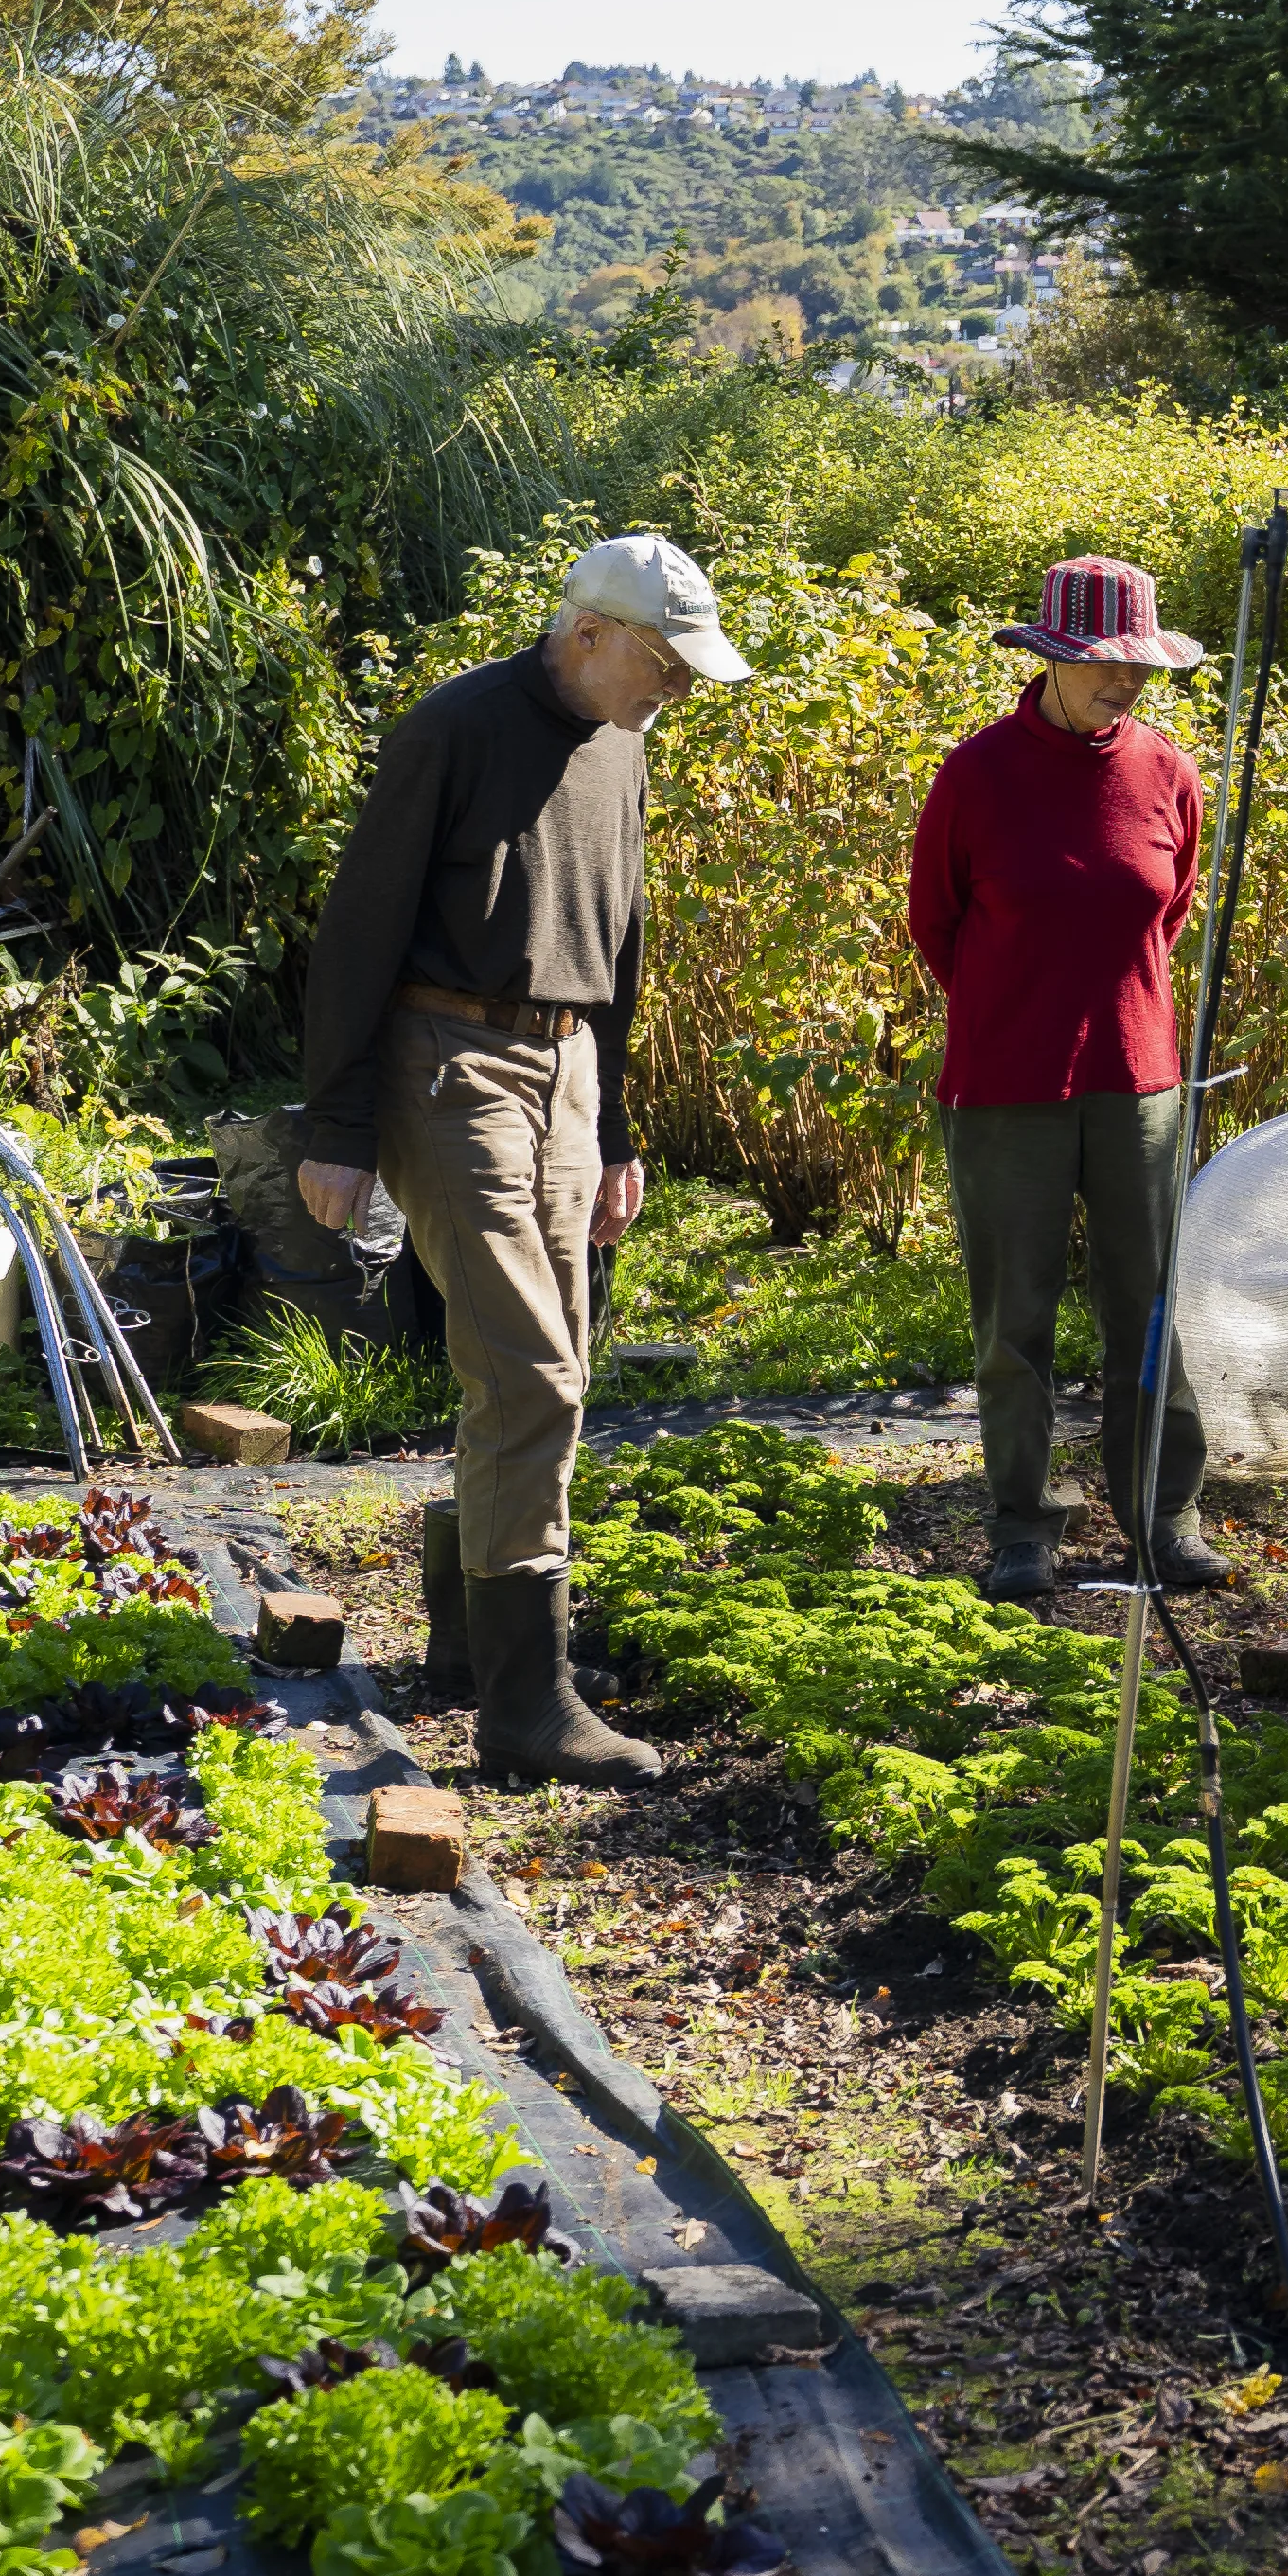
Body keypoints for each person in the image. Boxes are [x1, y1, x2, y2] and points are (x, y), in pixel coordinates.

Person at [292, 530, 748, 1787]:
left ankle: (466, 1643)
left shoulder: (627, 743)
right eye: (665, 662)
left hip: (570, 1066)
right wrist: (335, 1129)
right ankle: (526, 1704)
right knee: (530, 1366)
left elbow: (624, 934)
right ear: (588, 633)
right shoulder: (457, 728)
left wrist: (615, 1126)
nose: (680, 688)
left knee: (548, 1359)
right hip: (450, 1064)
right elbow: (357, 928)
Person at [904, 551, 1219, 1603]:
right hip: (1005, 1088)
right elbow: (935, 925)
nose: (1124, 683)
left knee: (1149, 1306)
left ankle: (1163, 1518)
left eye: (1138, 666)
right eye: (1103, 666)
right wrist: (1019, 1009)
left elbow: (1164, 920)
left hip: (1141, 1085)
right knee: (1015, 1318)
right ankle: (1023, 1527)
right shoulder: (978, 774)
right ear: (1046, 659)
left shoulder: (1170, 774)